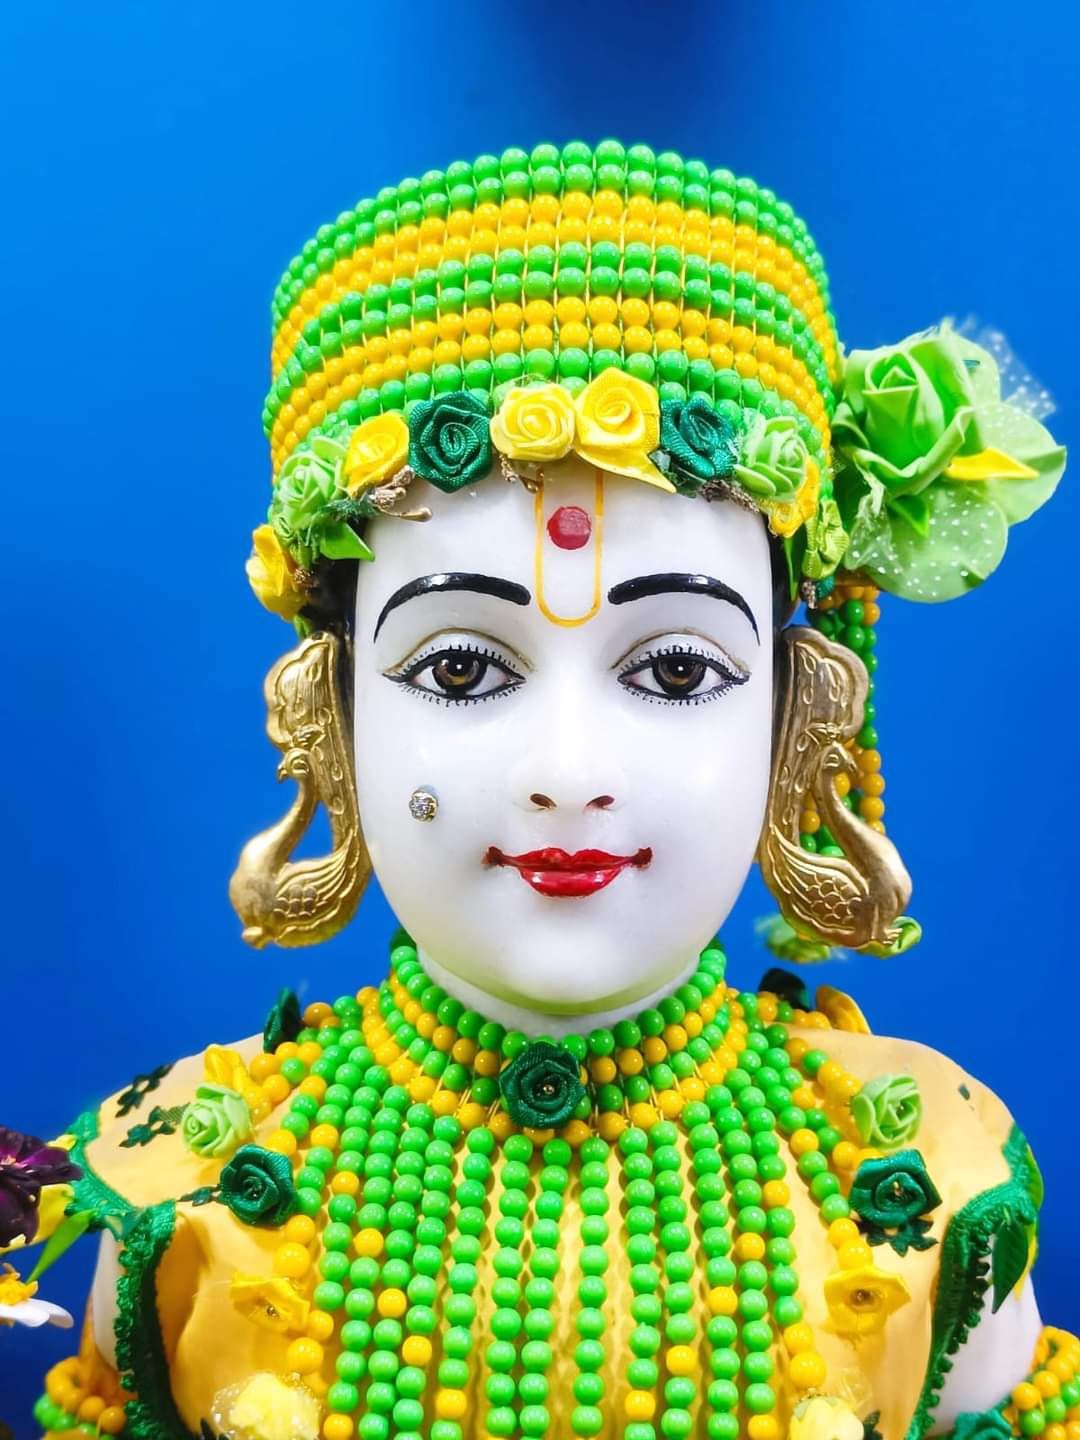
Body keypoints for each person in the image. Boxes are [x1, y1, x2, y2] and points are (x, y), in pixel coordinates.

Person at [4, 140, 1071, 1440]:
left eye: (676, 671)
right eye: (460, 668)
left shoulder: (918, 1201)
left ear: (800, 716)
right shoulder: (189, 1200)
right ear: (332, 715)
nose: (569, 775)